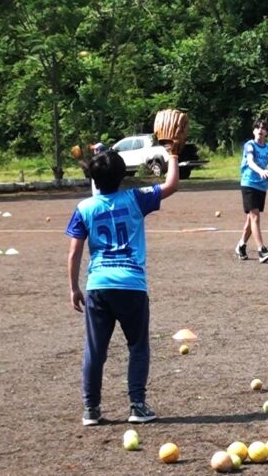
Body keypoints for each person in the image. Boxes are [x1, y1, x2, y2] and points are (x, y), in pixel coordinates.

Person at [65, 146, 179, 426]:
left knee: (95, 349)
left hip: (98, 285)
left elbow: (74, 252)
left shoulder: (84, 208)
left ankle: (91, 409)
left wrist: (73, 288)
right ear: (122, 176)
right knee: (137, 346)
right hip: (131, 285)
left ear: (93, 178)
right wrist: (173, 153)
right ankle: (137, 406)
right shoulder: (135, 199)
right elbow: (171, 185)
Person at [235, 119, 268, 263]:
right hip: (249, 183)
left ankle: (241, 246)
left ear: (267, 132)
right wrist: (261, 171)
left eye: (264, 128)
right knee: (255, 217)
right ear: (253, 131)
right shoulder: (250, 145)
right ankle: (261, 250)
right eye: (257, 127)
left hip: (261, 186)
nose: (260, 129)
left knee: (250, 219)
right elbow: (250, 162)